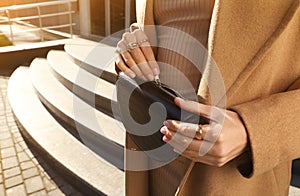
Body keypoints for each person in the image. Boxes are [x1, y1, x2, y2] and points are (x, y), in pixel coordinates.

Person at [115, 0, 300, 195]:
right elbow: (154, 27)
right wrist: (131, 51)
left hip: (233, 177)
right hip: (153, 157)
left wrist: (254, 130)